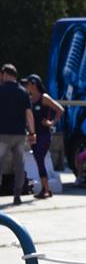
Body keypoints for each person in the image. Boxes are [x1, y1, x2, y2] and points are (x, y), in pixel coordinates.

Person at [0, 63, 35, 206]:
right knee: (19, 165)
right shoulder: (24, 92)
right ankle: (17, 195)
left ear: (5, 74)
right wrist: (32, 132)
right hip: (20, 135)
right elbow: (29, 115)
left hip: (2, 134)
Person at [25, 74, 64, 200]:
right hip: (34, 135)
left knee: (40, 158)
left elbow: (60, 110)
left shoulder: (44, 98)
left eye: (28, 84)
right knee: (38, 160)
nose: (26, 86)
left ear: (34, 84)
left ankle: (45, 189)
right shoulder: (29, 99)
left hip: (44, 134)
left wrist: (51, 122)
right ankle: (46, 188)